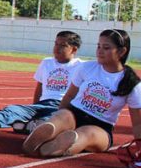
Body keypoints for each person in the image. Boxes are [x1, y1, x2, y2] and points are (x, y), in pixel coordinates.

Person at [22, 29, 141, 158]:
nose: (99, 51)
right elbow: (70, 96)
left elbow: (137, 123)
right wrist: (59, 114)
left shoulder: (132, 83)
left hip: (101, 125)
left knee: (87, 133)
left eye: (106, 48)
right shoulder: (87, 67)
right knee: (62, 117)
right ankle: (49, 130)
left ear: (121, 51)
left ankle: (63, 143)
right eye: (98, 46)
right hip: (74, 113)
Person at [0, 31, 83, 132]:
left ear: (74, 49)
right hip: (42, 104)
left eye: (63, 45)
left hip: (61, 106)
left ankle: (32, 126)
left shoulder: (81, 66)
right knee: (13, 109)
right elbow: (40, 86)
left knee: (51, 120)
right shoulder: (47, 62)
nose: (57, 48)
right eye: (56, 44)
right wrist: (35, 108)